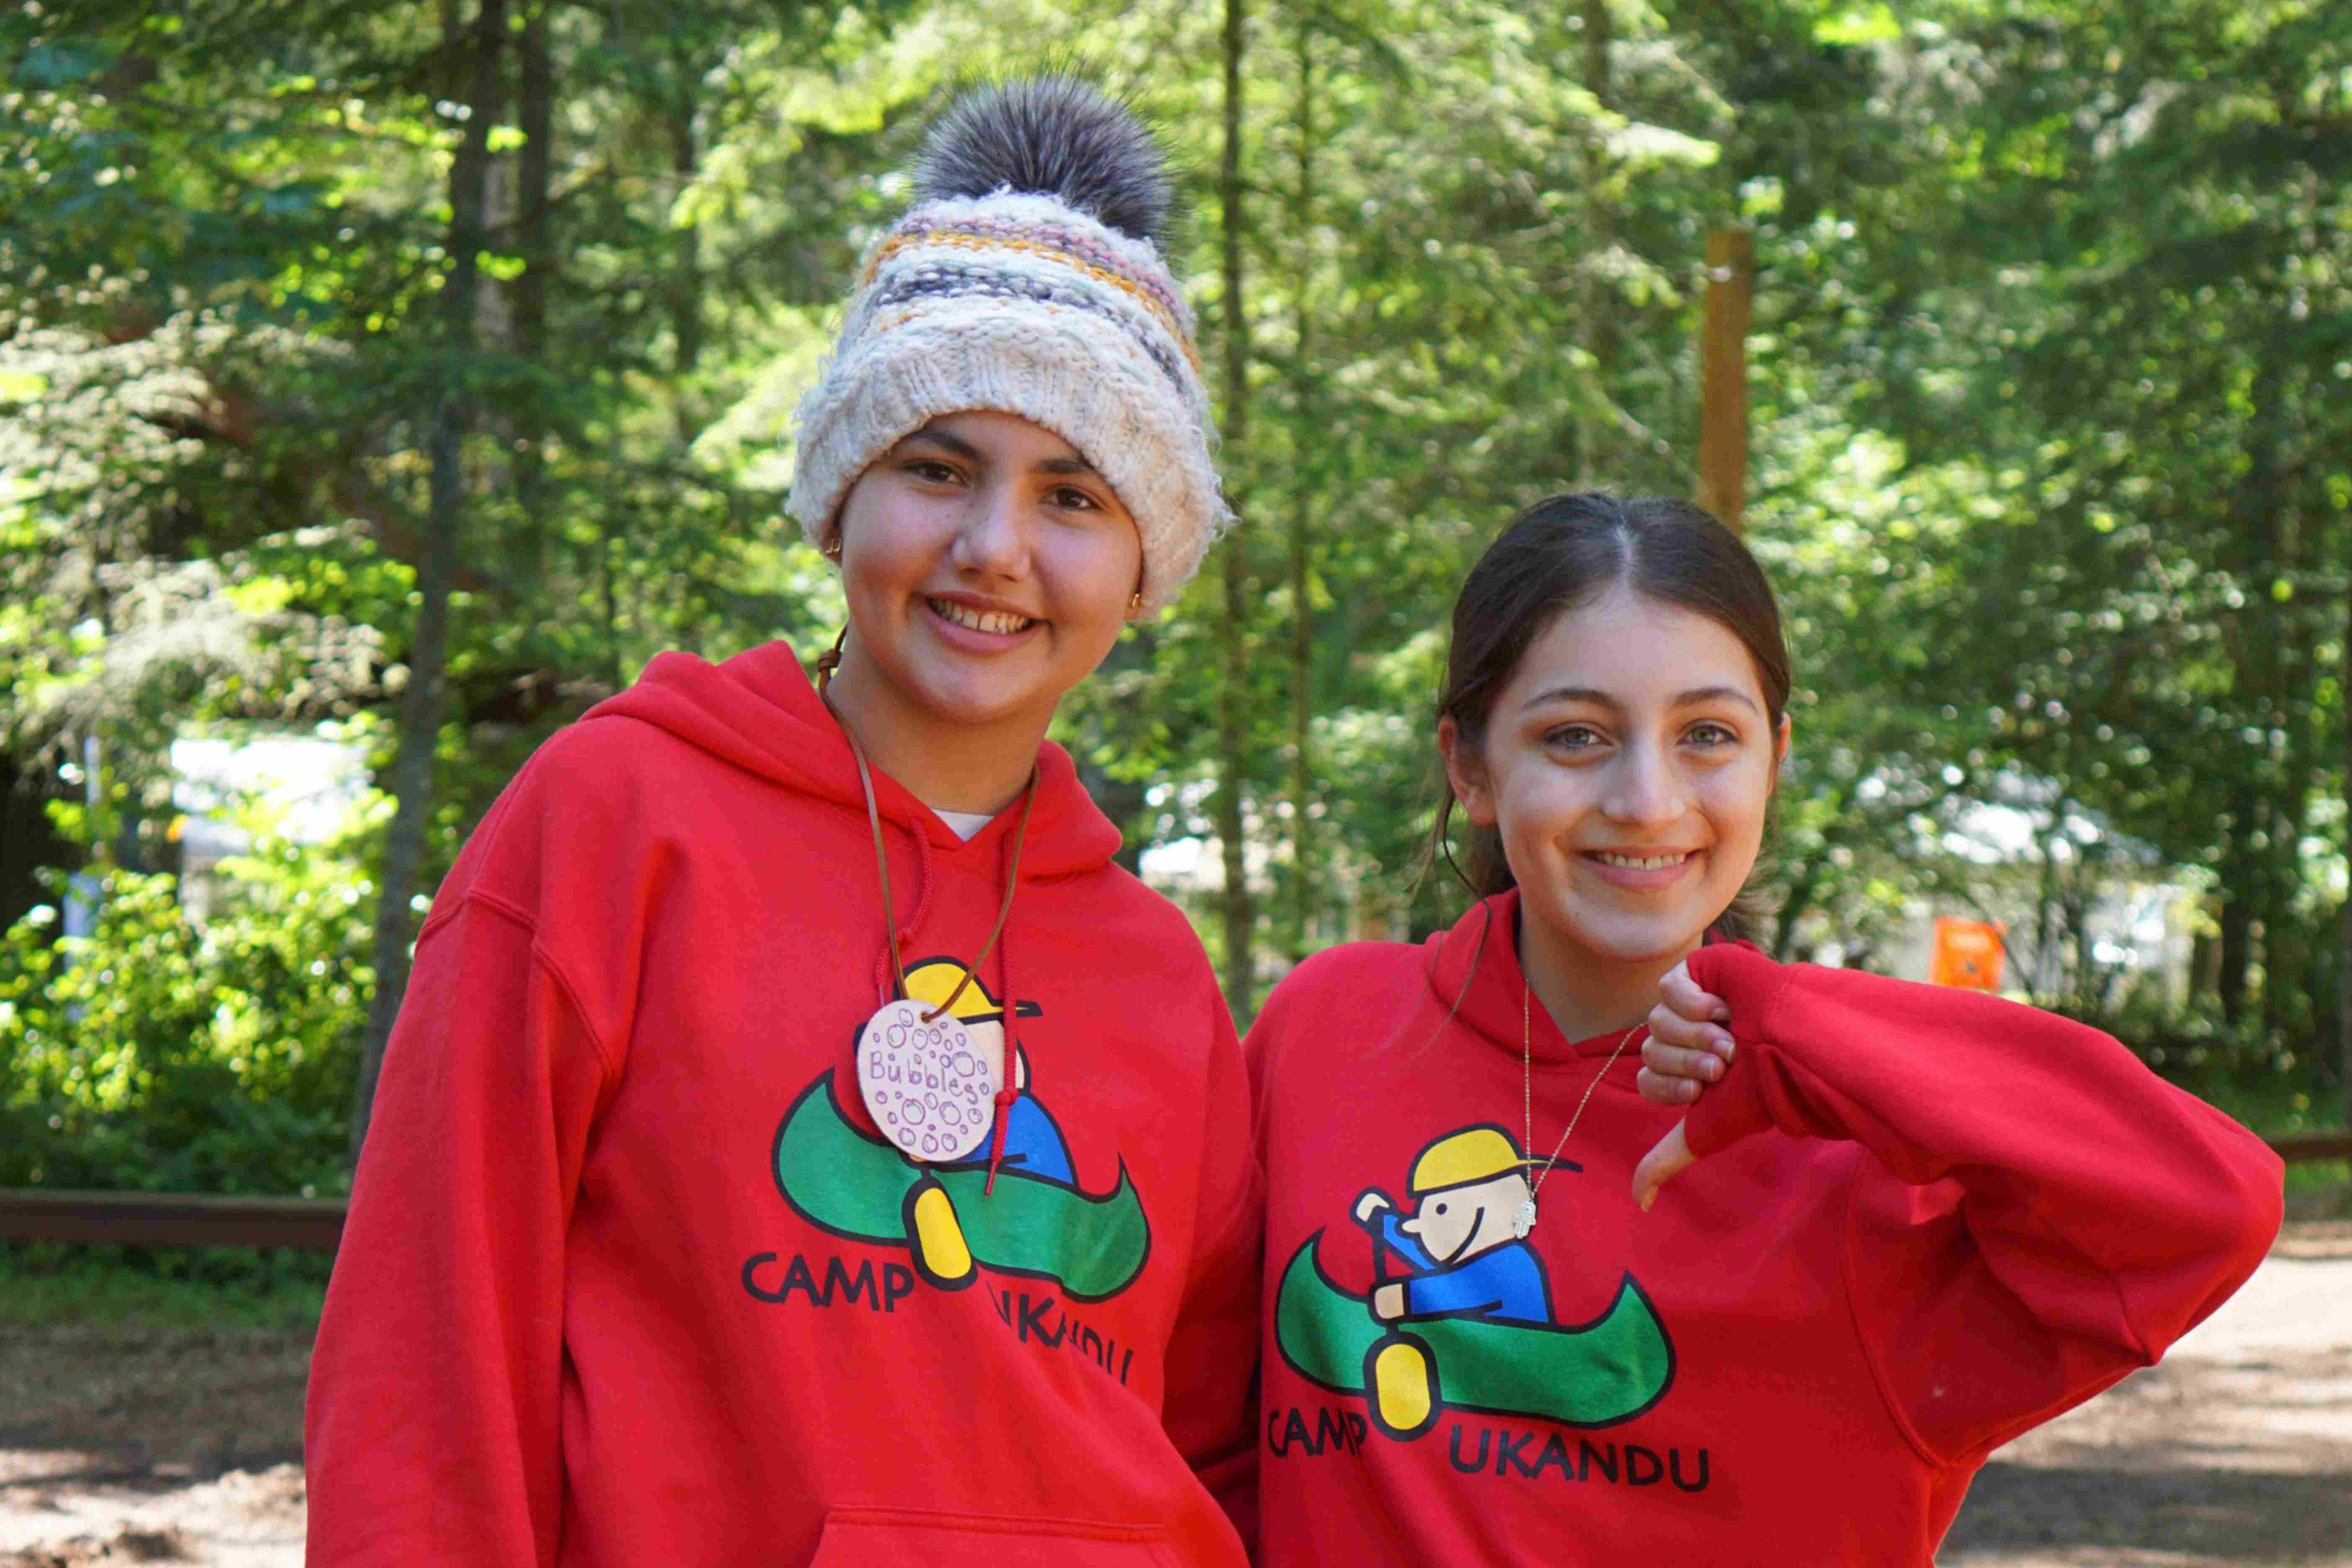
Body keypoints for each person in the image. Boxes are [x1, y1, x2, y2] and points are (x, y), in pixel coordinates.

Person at [305, 77, 1261, 1566]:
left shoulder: (1155, 971)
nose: (991, 547)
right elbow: (429, 1367)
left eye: (1073, 495)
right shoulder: (616, 823)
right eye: (935, 466)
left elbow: (1209, 1439)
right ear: (837, 498)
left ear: (1146, 568)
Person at [1247, 493, 2282, 1563]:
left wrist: (1796, 1023)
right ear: (1469, 766)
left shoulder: (1860, 1150)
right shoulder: (1326, 1029)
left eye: (1707, 735)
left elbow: (2212, 1202)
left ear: (1774, 759)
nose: (1647, 800)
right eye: (1575, 736)